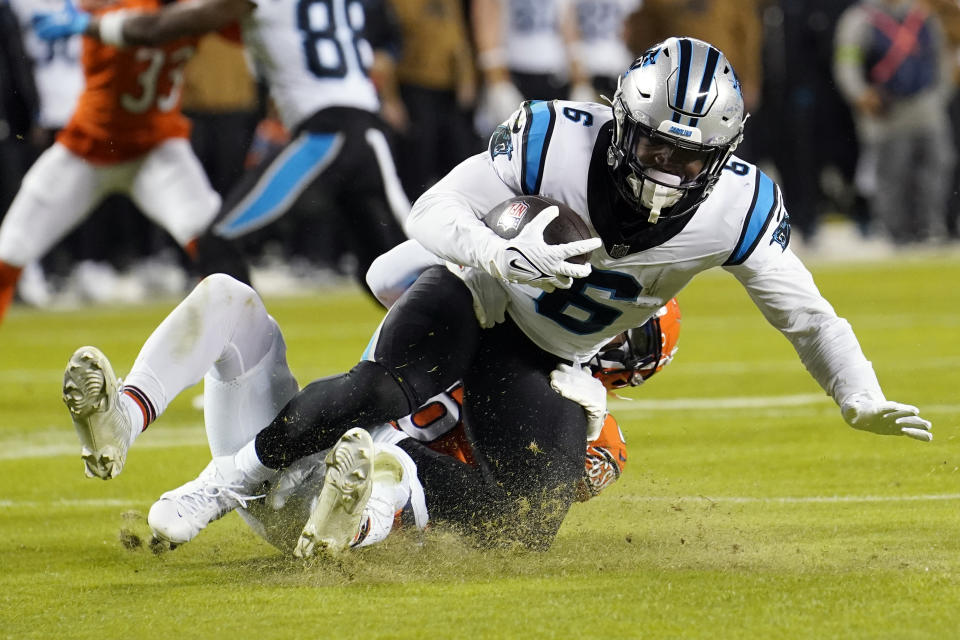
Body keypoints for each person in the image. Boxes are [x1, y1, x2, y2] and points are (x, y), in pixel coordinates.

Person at [69, 37, 935, 553]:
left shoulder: (742, 209)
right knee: (380, 387)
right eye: (656, 148)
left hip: (542, 354)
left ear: (723, 156)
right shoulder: (554, 136)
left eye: (688, 158)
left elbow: (808, 316)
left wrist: (856, 393)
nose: (668, 172)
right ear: (621, 120)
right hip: (482, 294)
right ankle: (224, 482)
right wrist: (497, 252)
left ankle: (375, 502)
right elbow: (430, 209)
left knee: (534, 512)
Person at [61, 269, 676, 555]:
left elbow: (533, 508)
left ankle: (342, 532)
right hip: (290, 439)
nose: (609, 333)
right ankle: (127, 417)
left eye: (631, 331)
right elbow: (388, 272)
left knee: (389, 458)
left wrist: (575, 419)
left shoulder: (595, 424)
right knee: (229, 298)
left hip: (353, 494)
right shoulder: (475, 301)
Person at [34, 0, 411, 293]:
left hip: (326, 134)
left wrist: (93, 25)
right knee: (389, 271)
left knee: (220, 242)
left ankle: (249, 378)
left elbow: (164, 26)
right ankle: (446, 375)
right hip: (366, 131)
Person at [0, 0, 223, 326]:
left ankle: (249, 365)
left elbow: (152, 26)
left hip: (157, 148)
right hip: (87, 147)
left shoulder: (189, 12)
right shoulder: (165, 10)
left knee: (218, 249)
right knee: (9, 251)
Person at [834, 0, 955, 245]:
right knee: (892, 174)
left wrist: (939, 96)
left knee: (937, 167)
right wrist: (860, 94)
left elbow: (942, 58)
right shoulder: (860, 19)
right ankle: (894, 232)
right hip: (887, 111)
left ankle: (932, 226)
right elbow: (846, 62)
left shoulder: (922, 15)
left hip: (926, 106)